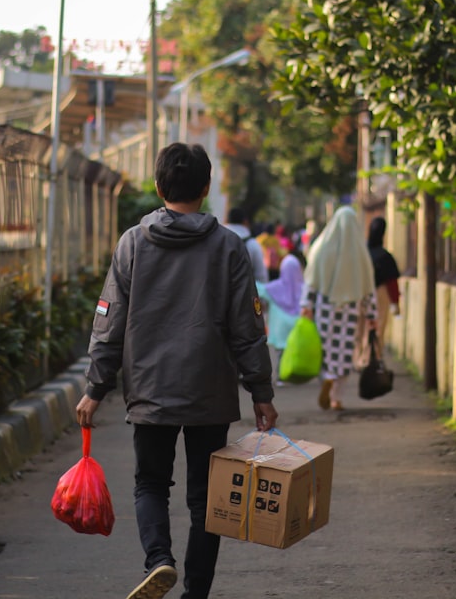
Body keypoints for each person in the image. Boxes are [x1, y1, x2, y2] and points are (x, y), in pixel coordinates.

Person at [77, 142, 278, 599]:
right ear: (207, 188)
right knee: (208, 498)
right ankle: (196, 593)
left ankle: (159, 560)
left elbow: (109, 322)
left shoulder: (132, 243)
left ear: (157, 186)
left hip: (150, 391)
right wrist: (260, 392)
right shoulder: (228, 246)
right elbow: (248, 327)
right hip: (210, 392)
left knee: (151, 483)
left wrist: (96, 387)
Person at [300, 205, 377, 411]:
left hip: (325, 308)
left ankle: (328, 377)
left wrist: (306, 305)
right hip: (350, 310)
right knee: (344, 352)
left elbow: (311, 281)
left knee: (326, 351)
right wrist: (371, 314)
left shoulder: (321, 247)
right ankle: (336, 398)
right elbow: (368, 286)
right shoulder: (360, 252)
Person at [256, 253, 305, 387]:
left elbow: (260, 289)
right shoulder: (303, 287)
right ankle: (296, 373)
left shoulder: (275, 288)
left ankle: (281, 375)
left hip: (280, 329)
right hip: (297, 327)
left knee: (281, 354)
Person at [368, 216, 402, 351]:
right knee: (379, 328)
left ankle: (362, 359)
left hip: (363, 294)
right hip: (380, 294)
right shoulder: (385, 257)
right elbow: (392, 282)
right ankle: (375, 358)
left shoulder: (364, 255)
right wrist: (395, 302)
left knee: (364, 328)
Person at [225, 206, 268, 283]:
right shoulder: (252, 244)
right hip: (241, 292)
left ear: (227, 220)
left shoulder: (215, 238)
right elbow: (261, 276)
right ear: (245, 222)